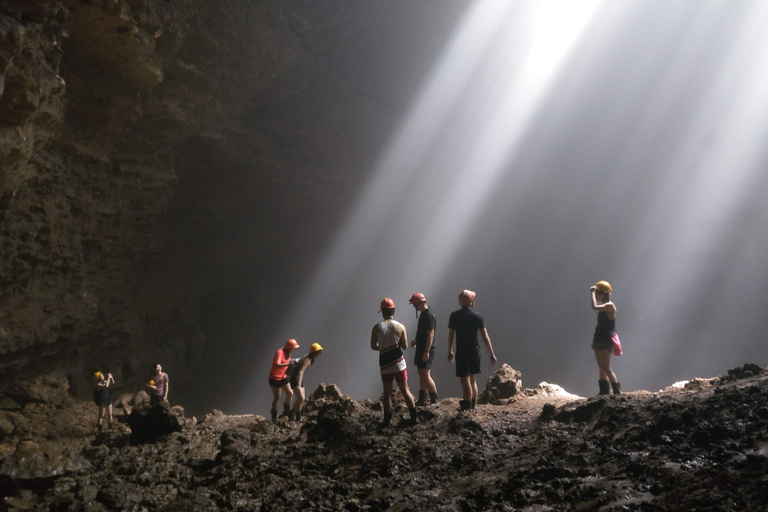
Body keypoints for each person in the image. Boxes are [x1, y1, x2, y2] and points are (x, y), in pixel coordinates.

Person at [447, 290, 497, 411]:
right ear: (471, 302)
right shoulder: (478, 316)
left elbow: (451, 335)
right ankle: (473, 406)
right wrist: (492, 353)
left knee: (465, 381)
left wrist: (450, 350)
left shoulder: (454, 316)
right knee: (472, 379)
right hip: (475, 351)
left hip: (462, 351)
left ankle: (466, 408)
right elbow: (485, 335)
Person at [371, 298, 418, 426]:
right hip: (399, 364)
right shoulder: (401, 326)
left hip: (385, 364)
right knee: (405, 390)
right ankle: (414, 418)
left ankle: (386, 421)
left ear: (382, 312)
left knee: (387, 393)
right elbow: (405, 346)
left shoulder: (376, 327)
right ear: (394, 311)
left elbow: (373, 346)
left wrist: (383, 347)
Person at [590, 280, 620, 395]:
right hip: (599, 338)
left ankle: (617, 391)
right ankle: (604, 391)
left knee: (606, 367)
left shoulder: (609, 305)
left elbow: (594, 307)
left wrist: (592, 293)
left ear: (603, 294)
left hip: (605, 340)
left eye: (598, 293)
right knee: (600, 366)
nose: (596, 295)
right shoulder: (605, 306)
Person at [408, 292, 439, 406]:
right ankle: (422, 399)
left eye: (413, 303)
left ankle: (434, 399)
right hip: (422, 347)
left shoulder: (428, 315)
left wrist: (426, 351)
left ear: (417, 303)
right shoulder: (424, 314)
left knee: (425, 374)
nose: (413, 306)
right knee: (421, 372)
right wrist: (416, 340)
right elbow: (423, 331)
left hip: (426, 349)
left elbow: (430, 333)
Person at [288, 342, 323, 421]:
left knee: (302, 399)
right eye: (319, 352)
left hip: (298, 378)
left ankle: (297, 417)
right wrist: (299, 384)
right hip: (295, 378)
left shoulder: (309, 357)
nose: (320, 354)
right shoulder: (308, 360)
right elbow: (301, 371)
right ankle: (292, 415)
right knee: (300, 398)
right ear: (316, 352)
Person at [269, 339, 299, 421]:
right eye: (294, 348)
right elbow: (277, 363)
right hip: (275, 378)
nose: (295, 349)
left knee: (290, 393)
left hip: (283, 377)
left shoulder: (288, 353)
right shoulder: (280, 352)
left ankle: (286, 412)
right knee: (277, 398)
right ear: (290, 347)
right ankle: (274, 418)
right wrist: (288, 364)